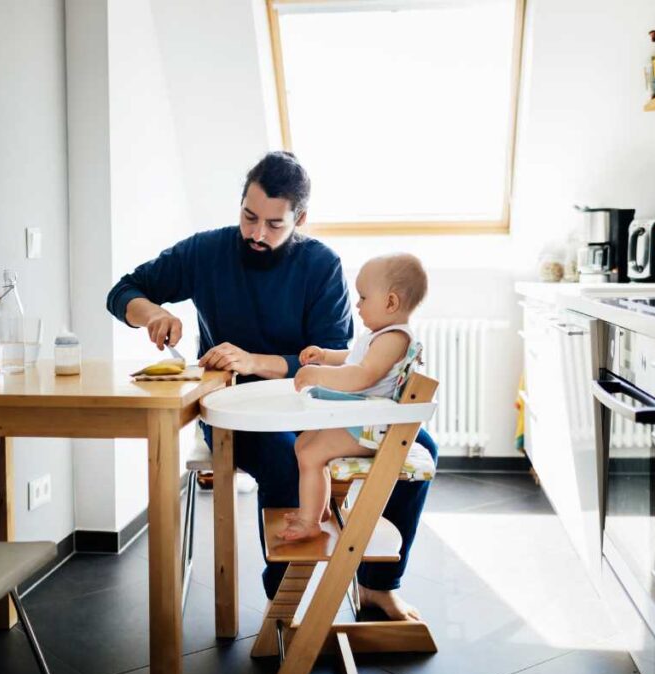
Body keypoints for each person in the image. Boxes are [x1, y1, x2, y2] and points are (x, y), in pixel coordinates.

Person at [106, 151, 436, 621]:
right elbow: (123, 290)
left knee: (420, 444)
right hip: (234, 413)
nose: (257, 233)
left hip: (317, 407)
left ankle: (377, 586)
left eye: (274, 224)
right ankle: (285, 605)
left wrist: (257, 360)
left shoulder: (321, 264)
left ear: (300, 219)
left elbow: (333, 354)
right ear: (240, 204)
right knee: (284, 457)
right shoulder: (206, 252)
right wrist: (152, 313)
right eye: (248, 216)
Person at [280, 254, 427, 541]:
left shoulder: (393, 338)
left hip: (372, 429)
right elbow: (353, 359)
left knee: (312, 453)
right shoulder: (380, 336)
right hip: (362, 421)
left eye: (362, 297)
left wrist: (317, 374)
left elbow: (362, 375)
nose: (357, 305)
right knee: (304, 444)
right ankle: (317, 509)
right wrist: (325, 356)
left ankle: (310, 520)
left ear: (391, 302)